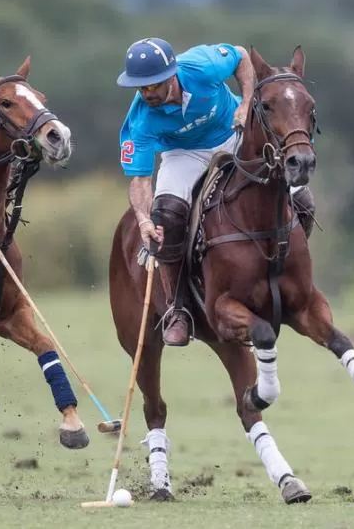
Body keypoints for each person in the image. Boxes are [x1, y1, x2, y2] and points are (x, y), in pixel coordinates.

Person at [116, 37, 316, 347]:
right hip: (183, 154)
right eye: (140, 87)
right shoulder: (140, 120)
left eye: (153, 85)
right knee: (167, 217)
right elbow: (140, 181)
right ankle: (178, 309)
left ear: (172, 74)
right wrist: (143, 219)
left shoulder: (200, 65)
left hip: (234, 134)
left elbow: (240, 57)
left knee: (302, 200)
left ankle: (288, 277)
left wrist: (247, 102)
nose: (147, 93)